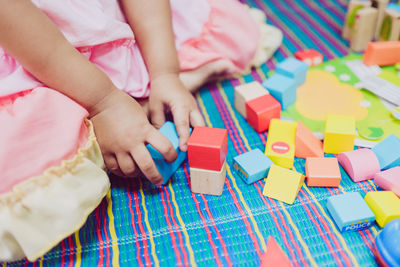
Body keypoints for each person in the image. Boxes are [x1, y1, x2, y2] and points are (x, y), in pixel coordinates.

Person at [0, 0, 282, 262]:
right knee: (29, 163)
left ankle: (140, 88)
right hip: (28, 50)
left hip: (111, 21)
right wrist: (104, 103)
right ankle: (117, 103)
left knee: (232, 30)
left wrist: (165, 72)